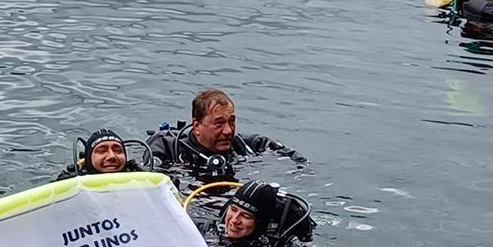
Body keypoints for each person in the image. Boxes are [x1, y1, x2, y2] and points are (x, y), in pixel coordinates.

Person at [146, 89, 305, 181]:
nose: (228, 131)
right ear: (197, 126)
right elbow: (145, 176)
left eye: (232, 121)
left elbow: (285, 153)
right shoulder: (168, 147)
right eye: (219, 123)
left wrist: (300, 172)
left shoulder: (245, 145)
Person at [54, 128, 148, 181]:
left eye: (118, 151)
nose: (112, 156)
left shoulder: (143, 180)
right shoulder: (69, 183)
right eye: (102, 151)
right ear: (88, 159)